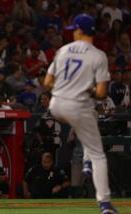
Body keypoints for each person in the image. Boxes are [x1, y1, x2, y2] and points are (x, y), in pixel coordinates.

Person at [43, 14, 118, 214]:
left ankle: (86, 160)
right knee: (99, 156)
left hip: (56, 105)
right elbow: (102, 94)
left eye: (75, 29)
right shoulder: (98, 55)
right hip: (77, 106)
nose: (73, 32)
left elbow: (47, 83)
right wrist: (87, 89)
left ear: (79, 31)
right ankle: (105, 203)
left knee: (90, 117)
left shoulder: (63, 50)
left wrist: (67, 87)